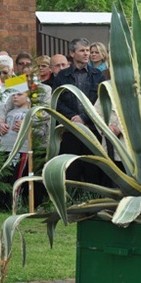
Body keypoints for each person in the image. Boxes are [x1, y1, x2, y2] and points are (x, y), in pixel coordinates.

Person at [52, 38, 105, 183]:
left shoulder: (97, 75)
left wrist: (84, 117)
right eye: (82, 50)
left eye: (87, 50)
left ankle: (93, 199)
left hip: (91, 129)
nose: (86, 54)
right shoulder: (62, 76)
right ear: (72, 53)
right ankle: (71, 200)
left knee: (92, 168)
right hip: (70, 129)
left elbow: (100, 102)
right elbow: (57, 101)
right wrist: (73, 117)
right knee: (71, 168)